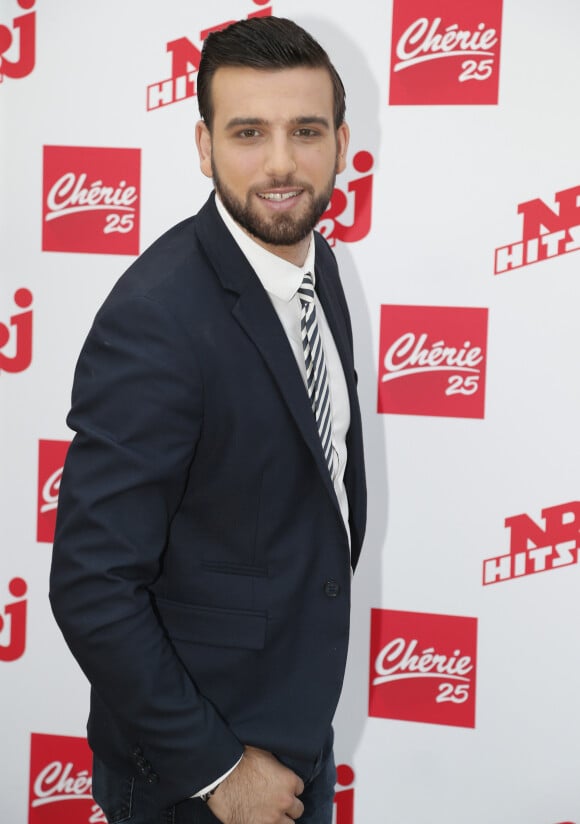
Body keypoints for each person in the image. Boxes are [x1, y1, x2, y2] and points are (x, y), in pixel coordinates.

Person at [49, 15, 366, 824]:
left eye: (306, 131)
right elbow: (91, 585)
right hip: (199, 779)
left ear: (342, 141)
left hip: (295, 735)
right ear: (203, 146)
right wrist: (219, 770)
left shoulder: (315, 264)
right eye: (249, 133)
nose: (282, 164)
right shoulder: (157, 317)